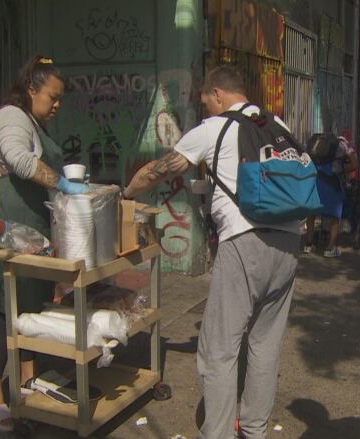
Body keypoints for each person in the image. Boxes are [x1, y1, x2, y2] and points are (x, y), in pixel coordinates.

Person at [123, 65, 300, 439]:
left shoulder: (215, 127)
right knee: (265, 345)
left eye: (206, 101)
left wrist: (125, 195)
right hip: (288, 245)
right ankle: (254, 430)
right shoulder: (276, 124)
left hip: (244, 243)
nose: (205, 109)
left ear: (218, 94)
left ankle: (216, 434)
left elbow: (158, 170)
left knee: (218, 350)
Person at [0, 55, 89, 432]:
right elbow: (19, 161)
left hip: (31, 236)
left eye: (60, 98)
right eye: (52, 96)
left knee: (32, 308)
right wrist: (63, 184)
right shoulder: (10, 118)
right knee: (6, 312)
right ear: (31, 88)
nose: (57, 104)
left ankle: (27, 379)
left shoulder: (36, 122)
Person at [304, 134, 347, 257]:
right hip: (331, 186)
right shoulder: (340, 150)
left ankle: (308, 244)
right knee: (335, 216)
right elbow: (348, 166)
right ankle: (330, 248)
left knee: (311, 213)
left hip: (316, 183)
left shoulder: (316, 151)